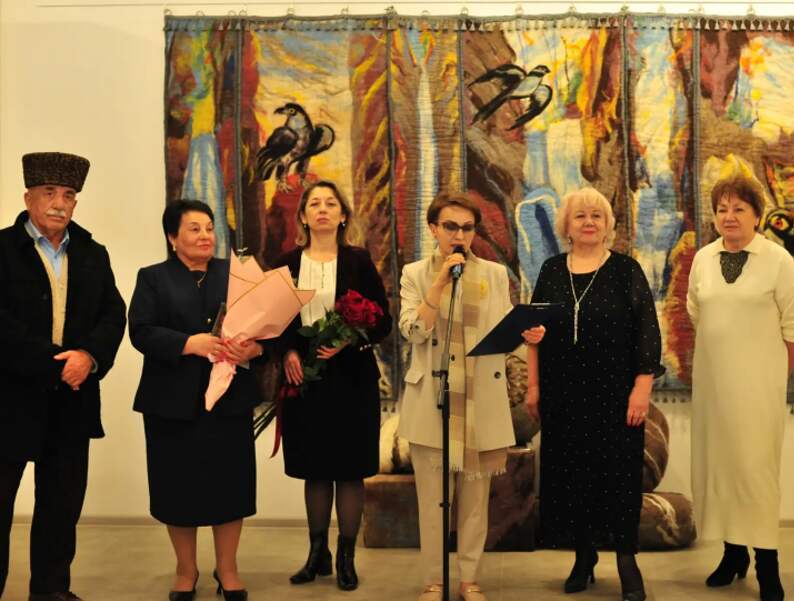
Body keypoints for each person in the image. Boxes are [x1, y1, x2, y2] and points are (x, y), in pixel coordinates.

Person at [398, 191, 544, 601]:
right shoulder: (415, 274)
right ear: (433, 228)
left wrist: (528, 333)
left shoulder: (494, 274)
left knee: (476, 502)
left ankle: (469, 580)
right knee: (433, 501)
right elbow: (412, 331)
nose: (459, 236)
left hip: (481, 399)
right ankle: (434, 580)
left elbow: (505, 332)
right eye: (450, 227)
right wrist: (440, 282)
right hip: (433, 398)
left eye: (467, 228)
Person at [526, 187, 664, 601]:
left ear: (607, 226)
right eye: (580, 216)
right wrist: (534, 386)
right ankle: (583, 556)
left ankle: (626, 561)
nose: (589, 222)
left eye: (597, 216)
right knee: (571, 477)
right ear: (566, 226)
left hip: (615, 398)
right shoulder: (552, 270)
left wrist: (641, 390)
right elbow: (533, 333)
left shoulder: (626, 270)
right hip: (562, 395)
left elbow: (648, 334)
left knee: (619, 480)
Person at [0, 152, 126, 601]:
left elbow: (113, 314)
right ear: (28, 198)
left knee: (61, 505)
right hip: (10, 401)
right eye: (49, 192)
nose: (59, 202)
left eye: (68, 195)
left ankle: (51, 591)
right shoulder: (2, 250)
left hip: (72, 400)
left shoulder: (92, 253)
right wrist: (57, 362)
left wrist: (89, 356)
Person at [129, 200, 266, 601]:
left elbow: (269, 329)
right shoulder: (153, 277)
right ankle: (185, 570)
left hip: (229, 401)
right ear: (172, 237)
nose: (206, 235)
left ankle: (228, 569)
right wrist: (189, 343)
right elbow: (140, 331)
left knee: (231, 488)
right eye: (194, 229)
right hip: (171, 403)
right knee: (177, 489)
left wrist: (255, 349)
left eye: (209, 228)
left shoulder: (237, 274)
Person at [686, 175, 794, 601]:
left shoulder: (777, 259)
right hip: (714, 385)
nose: (729, 216)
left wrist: (774, 374)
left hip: (759, 387)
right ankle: (733, 554)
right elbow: (696, 311)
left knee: (756, 473)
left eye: (739, 208)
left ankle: (767, 565)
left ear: (757, 215)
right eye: (722, 209)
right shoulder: (703, 258)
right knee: (722, 467)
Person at [274, 180, 392, 591]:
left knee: (350, 470)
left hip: (353, 380)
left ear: (343, 216)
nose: (322, 209)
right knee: (316, 470)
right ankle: (316, 554)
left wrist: (349, 339)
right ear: (303, 216)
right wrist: (287, 352)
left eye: (330, 203)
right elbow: (273, 321)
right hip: (305, 382)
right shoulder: (286, 263)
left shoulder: (358, 260)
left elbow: (382, 320)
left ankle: (346, 557)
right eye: (314, 204)